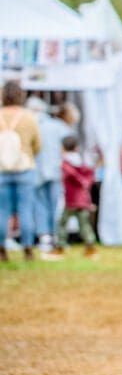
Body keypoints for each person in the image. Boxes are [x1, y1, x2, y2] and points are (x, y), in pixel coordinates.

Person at [0, 80, 41, 262]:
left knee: (3, 210)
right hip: (25, 167)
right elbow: (38, 144)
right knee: (26, 209)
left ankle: (2, 248)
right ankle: (28, 247)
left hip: (2, 169)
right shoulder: (28, 117)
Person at [25, 96, 70, 252]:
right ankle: (56, 235)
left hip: (35, 170)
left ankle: (44, 236)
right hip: (55, 169)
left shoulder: (29, 125)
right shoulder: (57, 125)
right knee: (55, 204)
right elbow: (70, 141)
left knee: (40, 204)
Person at [52, 135, 98, 257]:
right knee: (84, 224)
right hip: (83, 199)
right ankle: (90, 246)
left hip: (71, 200)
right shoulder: (82, 161)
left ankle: (60, 246)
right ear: (76, 148)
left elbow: (71, 175)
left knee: (62, 223)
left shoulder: (65, 163)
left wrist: (81, 181)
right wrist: (85, 183)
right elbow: (90, 174)